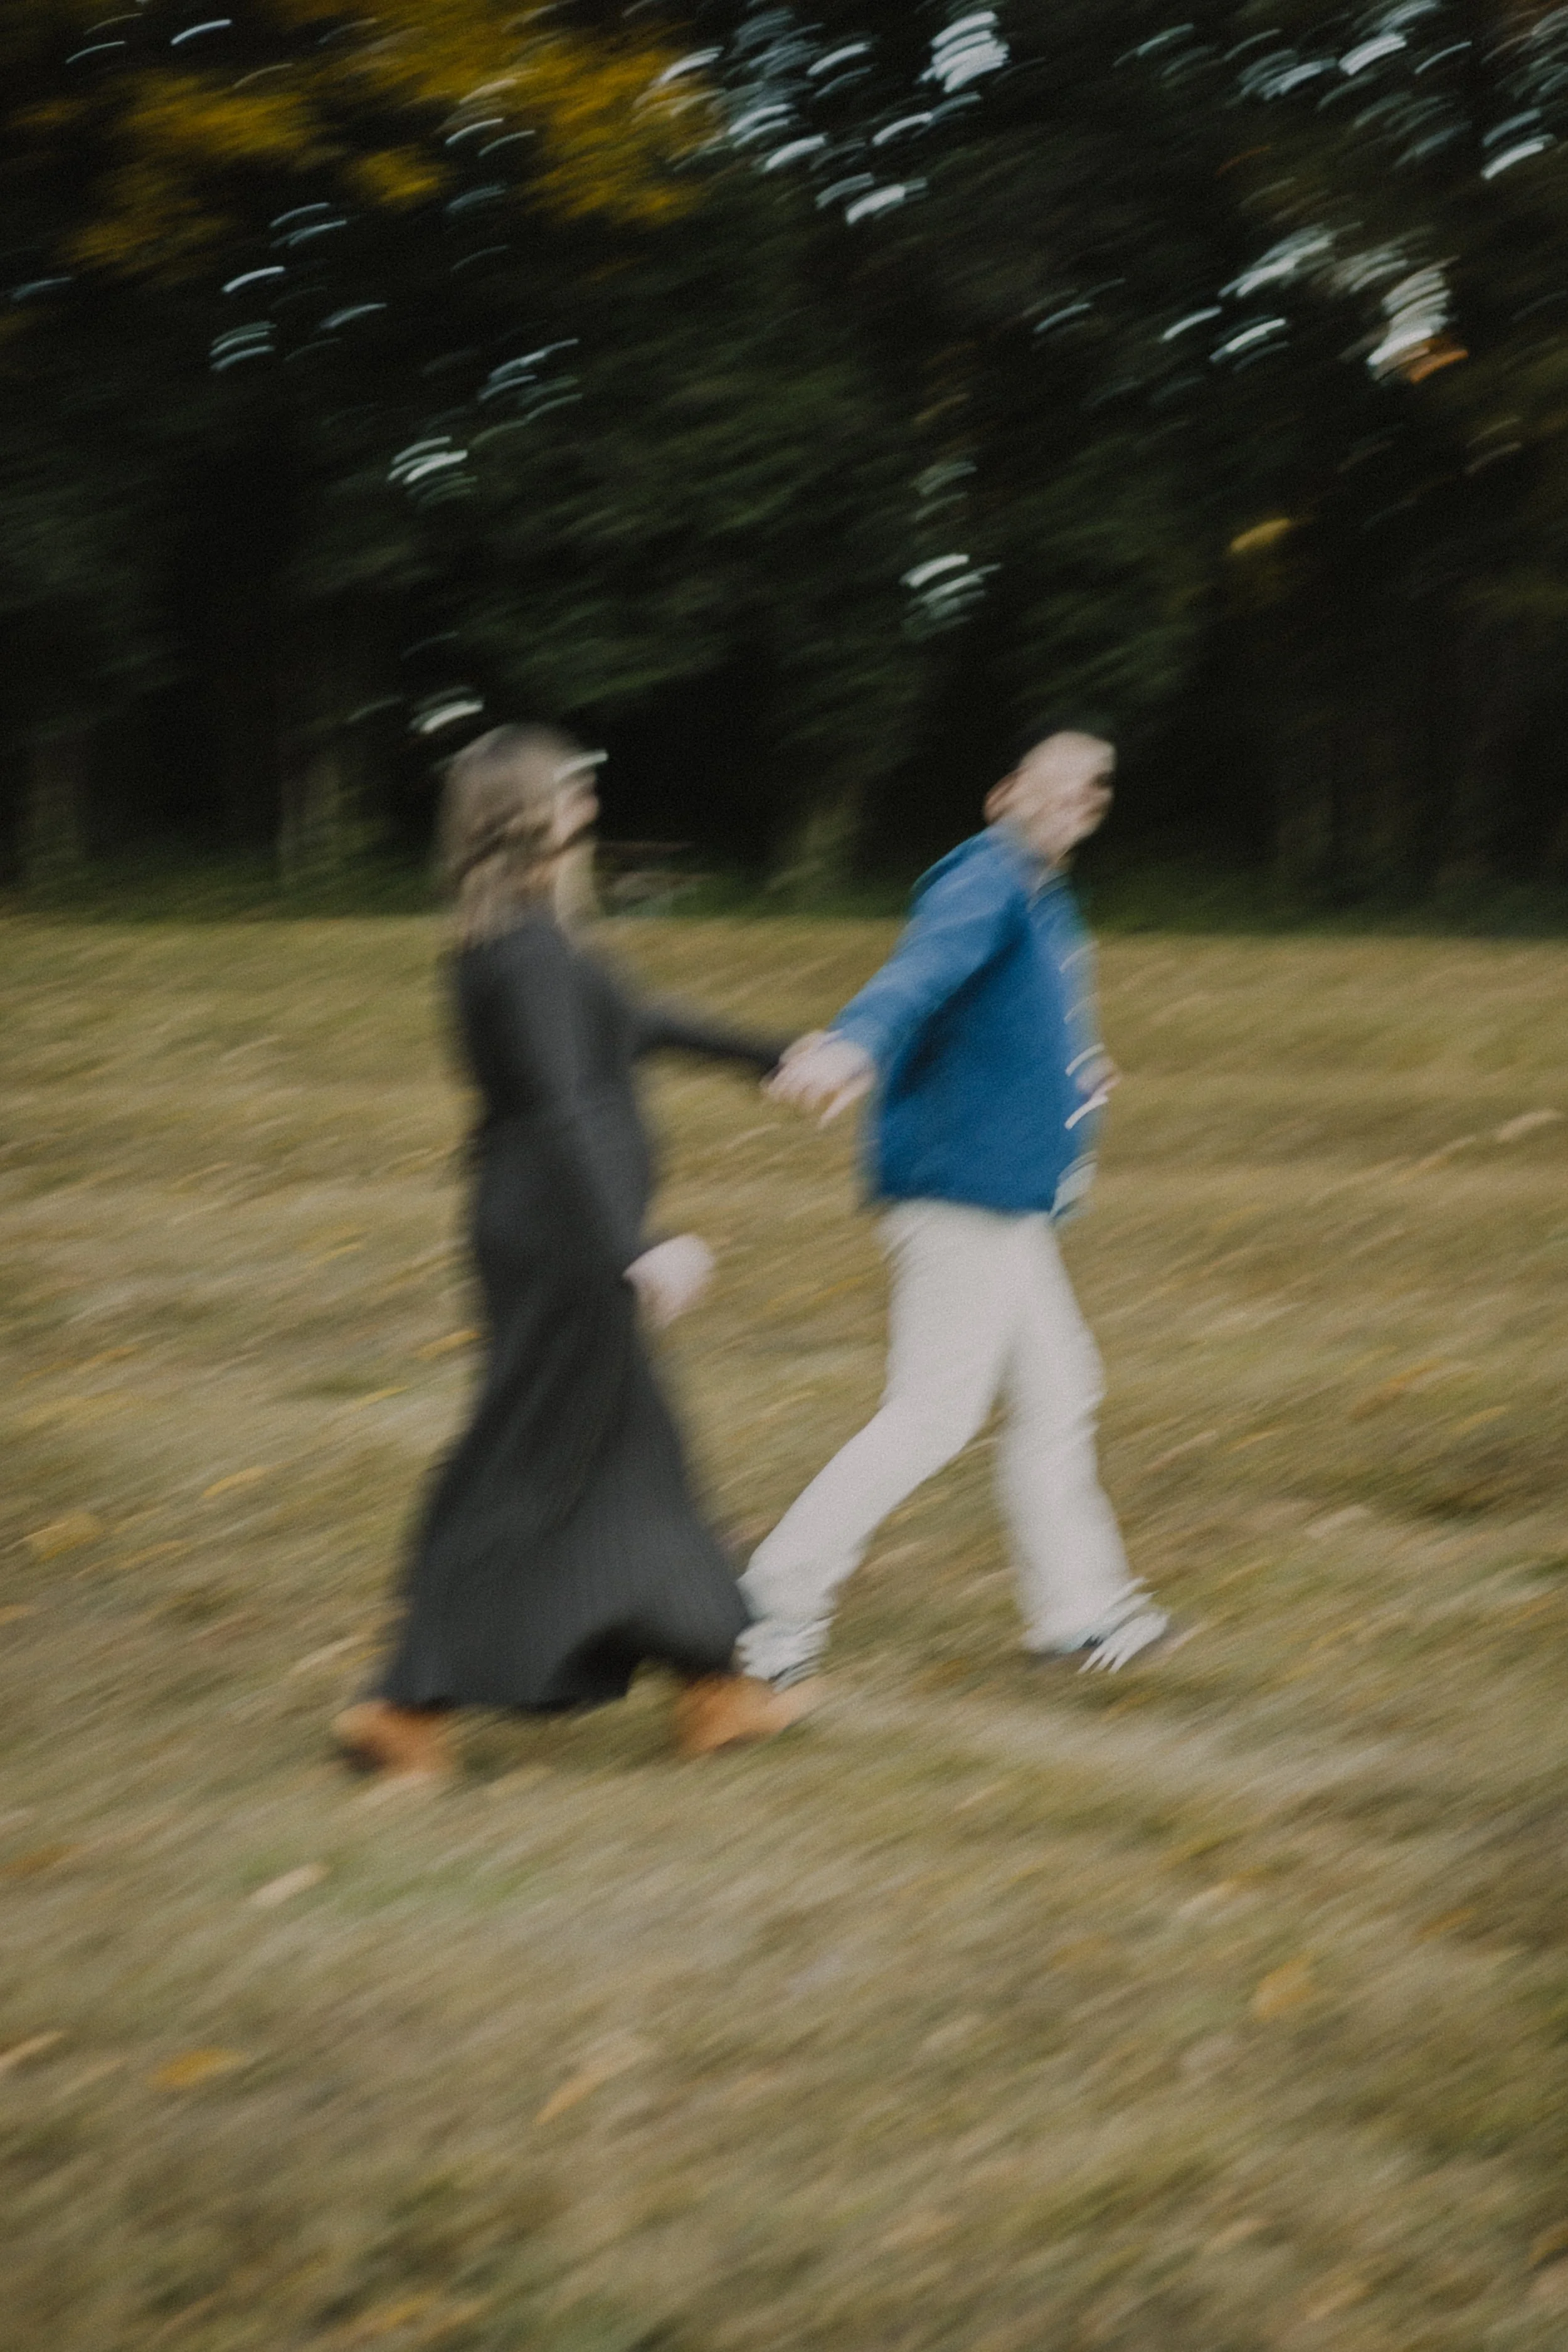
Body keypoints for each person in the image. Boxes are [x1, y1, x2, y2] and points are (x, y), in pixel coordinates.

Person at [335, 725, 802, 1781]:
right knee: (530, 1457)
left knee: (635, 1454)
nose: (587, 808)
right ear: (526, 817)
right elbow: (560, 1109)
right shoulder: (528, 952)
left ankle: (716, 1690)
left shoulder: (517, 941)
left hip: (548, 1229)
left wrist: (775, 1056)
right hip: (563, 1238)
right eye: (569, 795)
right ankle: (402, 1704)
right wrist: (632, 1245)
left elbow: (639, 1025)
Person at [738, 728, 1171, 1694]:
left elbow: (1003, 1015)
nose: (1074, 799)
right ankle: (774, 1602)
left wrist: (1075, 1068)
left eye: (1090, 791)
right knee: (933, 1413)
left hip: (1003, 1198)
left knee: (1063, 1388)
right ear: (1002, 795)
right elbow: (921, 974)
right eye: (1052, 784)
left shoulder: (1041, 898)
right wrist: (855, 1043)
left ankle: (1078, 1609)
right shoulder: (984, 878)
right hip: (959, 1194)